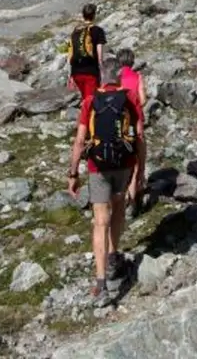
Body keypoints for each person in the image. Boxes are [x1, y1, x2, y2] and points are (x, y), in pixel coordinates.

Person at [67, 55, 146, 298]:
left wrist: (73, 173)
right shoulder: (130, 98)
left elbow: (80, 140)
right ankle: (113, 254)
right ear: (119, 77)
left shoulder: (90, 101)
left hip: (96, 166)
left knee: (99, 220)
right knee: (119, 206)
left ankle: (100, 281)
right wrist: (140, 173)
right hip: (124, 164)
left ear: (101, 77)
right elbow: (140, 137)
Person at [67, 2, 105, 102]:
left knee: (85, 99)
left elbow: (70, 53)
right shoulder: (98, 31)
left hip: (76, 72)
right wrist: (102, 70)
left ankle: (84, 116)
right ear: (94, 15)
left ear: (83, 15)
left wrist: (70, 75)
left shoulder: (75, 32)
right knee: (91, 101)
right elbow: (99, 53)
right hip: (90, 71)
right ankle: (87, 117)